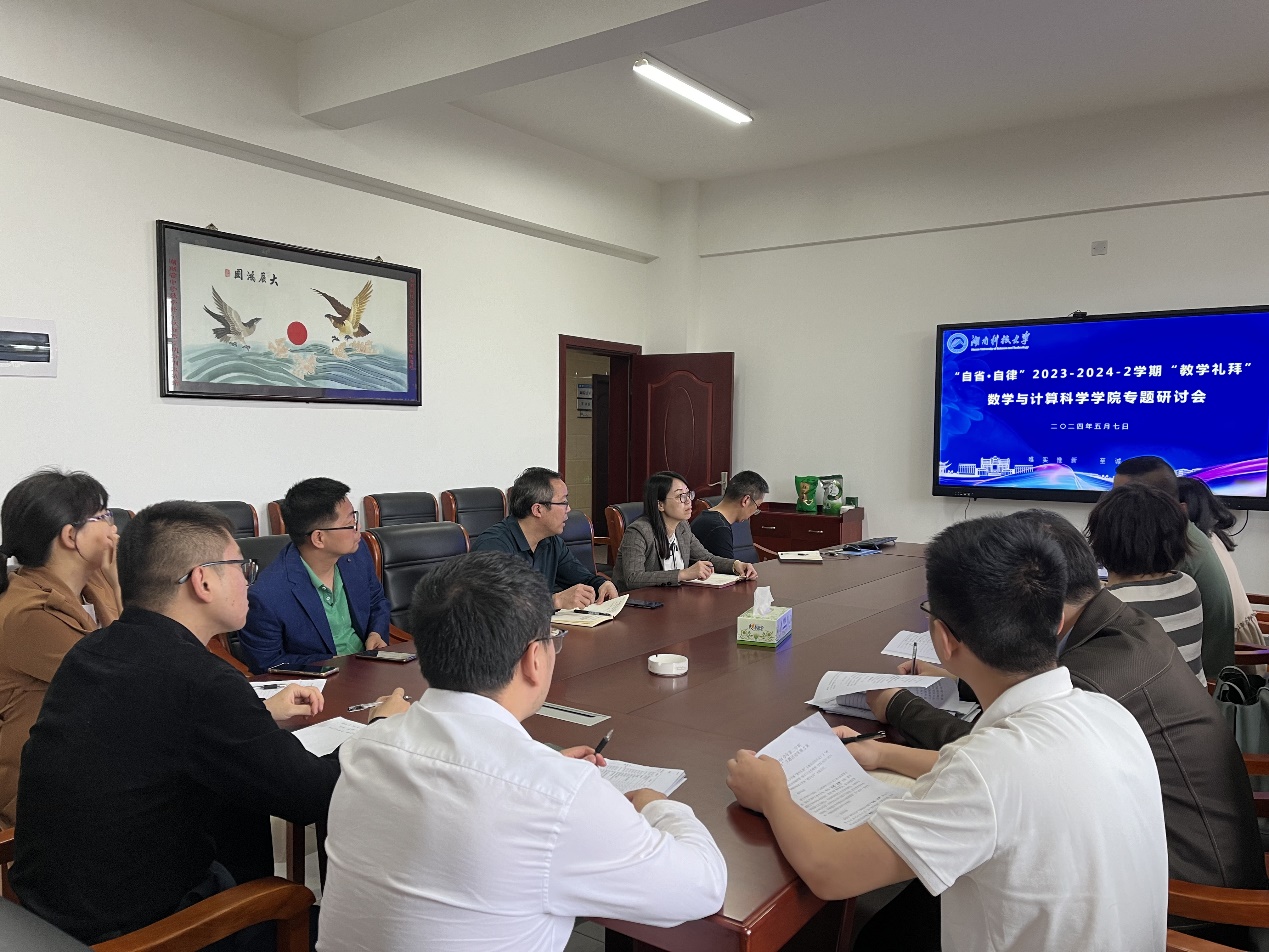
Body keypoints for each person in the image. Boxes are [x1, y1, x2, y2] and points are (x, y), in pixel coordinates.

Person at [726, 515, 1168, 952]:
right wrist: (882, 756)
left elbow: (830, 871)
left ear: (942, 639)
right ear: (1058, 622)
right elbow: (1005, 781)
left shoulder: (987, 770)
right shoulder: (1107, 713)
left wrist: (771, 793)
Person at [11, 501, 411, 948]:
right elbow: (314, 796)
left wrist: (256, 713)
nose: (248, 581)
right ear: (203, 580)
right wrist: (380, 729)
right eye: (241, 568)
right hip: (142, 934)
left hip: (50, 909)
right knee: (358, 932)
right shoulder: (200, 680)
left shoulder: (94, 650)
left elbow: (157, 733)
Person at [865, 509, 1265, 946]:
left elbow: (993, 755)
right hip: (1182, 846)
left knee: (904, 921)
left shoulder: (1094, 674)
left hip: (1186, 889)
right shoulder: (1119, 625)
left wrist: (898, 705)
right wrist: (957, 676)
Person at [317, 551, 727, 952]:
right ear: (534, 659)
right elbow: (704, 886)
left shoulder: (364, 747)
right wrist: (657, 804)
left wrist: (542, 772)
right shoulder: (557, 796)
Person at [0, 469, 122, 828]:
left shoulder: (93, 581)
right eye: (103, 516)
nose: (114, 528)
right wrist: (122, 587)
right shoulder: (29, 613)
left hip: (98, 753)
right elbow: (124, 682)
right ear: (70, 536)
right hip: (47, 783)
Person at [239, 478, 392, 672]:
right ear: (319, 538)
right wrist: (328, 663)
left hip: (369, 668)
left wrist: (376, 633)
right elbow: (266, 663)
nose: (358, 529)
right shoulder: (266, 596)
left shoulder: (356, 555)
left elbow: (377, 601)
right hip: (316, 682)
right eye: (350, 523)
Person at [1114, 456, 1235, 675]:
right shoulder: (1181, 534)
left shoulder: (1174, 547)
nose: (1110, 506)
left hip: (1200, 679)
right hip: (1194, 673)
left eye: (1119, 498)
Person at [1086, 484, 1206, 682]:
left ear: (1102, 541)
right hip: (1195, 698)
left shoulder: (1106, 607)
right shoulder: (1188, 586)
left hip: (1134, 702)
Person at [472, 467, 618, 610]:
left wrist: (602, 584)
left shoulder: (552, 541)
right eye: (563, 502)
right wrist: (555, 601)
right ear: (538, 509)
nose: (568, 509)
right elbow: (495, 606)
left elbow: (583, 579)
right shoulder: (493, 546)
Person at [613, 471, 757, 592]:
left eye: (688, 494)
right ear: (660, 504)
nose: (688, 501)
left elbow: (706, 557)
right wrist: (683, 574)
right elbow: (633, 578)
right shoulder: (638, 532)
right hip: (638, 604)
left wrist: (735, 565)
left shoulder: (682, 527)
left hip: (671, 599)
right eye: (680, 496)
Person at [1178, 476, 1262, 645]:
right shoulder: (1212, 536)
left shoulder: (1191, 546)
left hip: (1231, 647)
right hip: (1243, 638)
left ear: (1183, 508)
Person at [690, 470, 768, 561]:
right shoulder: (719, 528)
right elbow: (727, 568)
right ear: (745, 500)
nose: (754, 512)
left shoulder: (706, 517)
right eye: (757, 506)